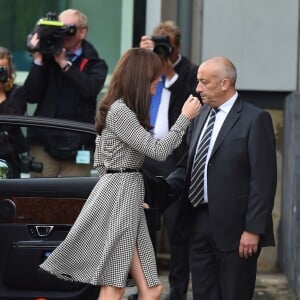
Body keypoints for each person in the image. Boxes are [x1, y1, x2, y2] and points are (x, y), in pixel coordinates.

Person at [38, 48, 200, 300]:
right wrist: (184, 119)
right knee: (114, 287)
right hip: (122, 197)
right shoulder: (121, 111)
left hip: (125, 197)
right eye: (155, 77)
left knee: (151, 289)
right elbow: (157, 151)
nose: (159, 81)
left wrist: (129, 194)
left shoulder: (118, 109)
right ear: (140, 78)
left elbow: (102, 162)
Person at [167, 56, 277, 300]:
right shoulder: (201, 115)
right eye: (198, 81)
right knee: (203, 294)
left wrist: (253, 229)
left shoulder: (255, 119)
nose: (198, 88)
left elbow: (263, 180)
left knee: (234, 294)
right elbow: (188, 165)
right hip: (198, 220)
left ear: (225, 84)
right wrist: (161, 190)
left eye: (204, 82)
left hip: (237, 229)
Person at [134, 20, 197, 300]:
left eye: (166, 43)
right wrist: (142, 56)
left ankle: (178, 290)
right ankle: (143, 287)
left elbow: (191, 101)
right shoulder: (145, 66)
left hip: (172, 155)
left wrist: (167, 68)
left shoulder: (190, 72)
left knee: (176, 226)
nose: (162, 48)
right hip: (142, 152)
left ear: (177, 46)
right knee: (140, 223)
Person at [24, 8, 108, 177]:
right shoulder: (46, 58)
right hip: (44, 143)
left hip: (78, 143)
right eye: (58, 28)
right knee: (38, 197)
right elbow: (31, 96)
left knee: (72, 199)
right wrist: (39, 60)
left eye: (68, 28)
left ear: (82, 32)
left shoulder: (95, 63)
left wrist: (64, 63)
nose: (62, 33)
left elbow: (89, 90)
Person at [0, 46, 28, 178]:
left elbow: (11, 123)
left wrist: (1, 93)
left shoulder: (17, 92)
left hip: (9, 156)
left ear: (9, 71)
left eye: (2, 68)